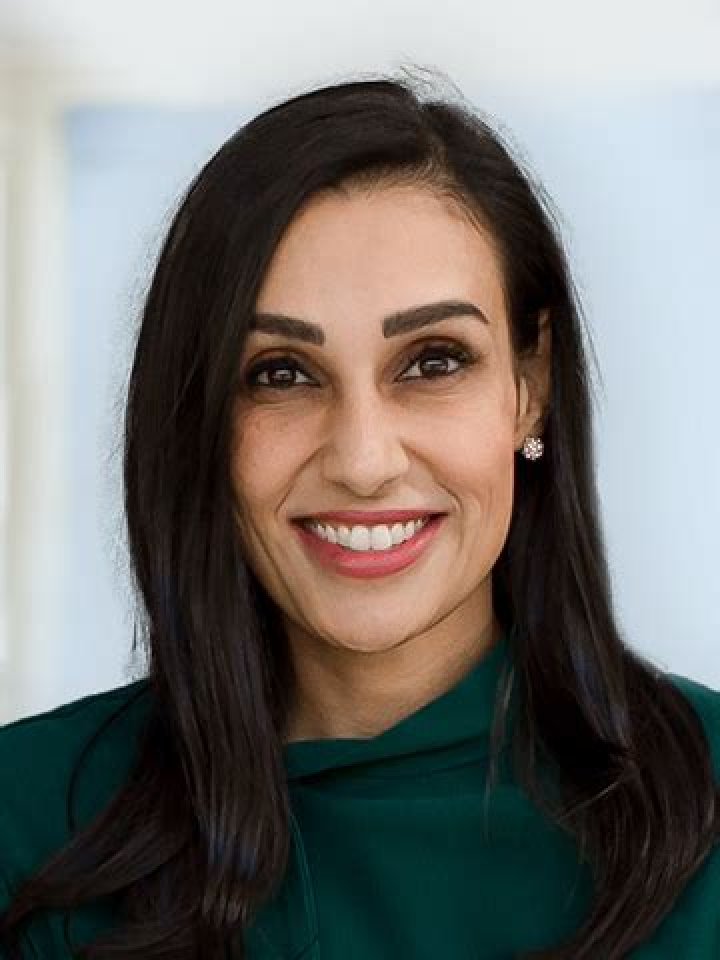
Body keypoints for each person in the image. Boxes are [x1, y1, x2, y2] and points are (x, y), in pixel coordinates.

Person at [0, 68, 718, 960]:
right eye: (281, 373)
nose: (364, 461)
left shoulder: (710, 801)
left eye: (433, 361)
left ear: (530, 388)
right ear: (199, 420)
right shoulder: (27, 823)